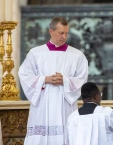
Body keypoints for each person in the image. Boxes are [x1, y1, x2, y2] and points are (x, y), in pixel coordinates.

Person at [19, 17, 89, 145]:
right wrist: (45, 79)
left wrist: (65, 80)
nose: (64, 36)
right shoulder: (36, 53)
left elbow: (82, 79)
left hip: (65, 104)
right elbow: (24, 74)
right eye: (61, 33)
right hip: (43, 104)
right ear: (51, 32)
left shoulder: (77, 55)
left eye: (66, 33)